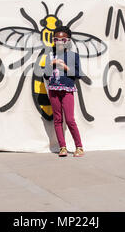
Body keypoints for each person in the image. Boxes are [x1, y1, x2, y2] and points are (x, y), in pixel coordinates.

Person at [43, 26, 84, 157]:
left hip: (67, 90)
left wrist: (65, 67)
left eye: (63, 39)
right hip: (53, 90)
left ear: (68, 41)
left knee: (70, 119)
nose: (60, 42)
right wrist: (51, 66)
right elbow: (45, 76)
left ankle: (79, 147)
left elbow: (78, 75)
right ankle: (62, 147)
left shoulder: (73, 56)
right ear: (53, 41)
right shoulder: (50, 55)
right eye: (57, 39)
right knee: (57, 119)